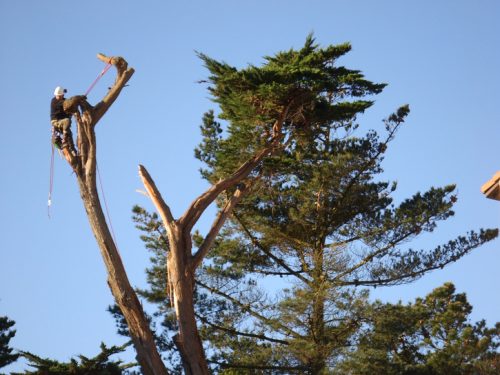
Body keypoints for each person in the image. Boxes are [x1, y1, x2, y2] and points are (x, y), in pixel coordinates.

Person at [50, 86, 76, 155]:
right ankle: (64, 137)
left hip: (62, 123)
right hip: (56, 122)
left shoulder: (63, 100)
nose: (57, 97)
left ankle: (73, 150)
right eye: (57, 96)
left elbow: (66, 108)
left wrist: (71, 113)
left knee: (70, 134)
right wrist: (74, 101)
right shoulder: (54, 101)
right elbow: (65, 103)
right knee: (67, 121)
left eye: (59, 96)